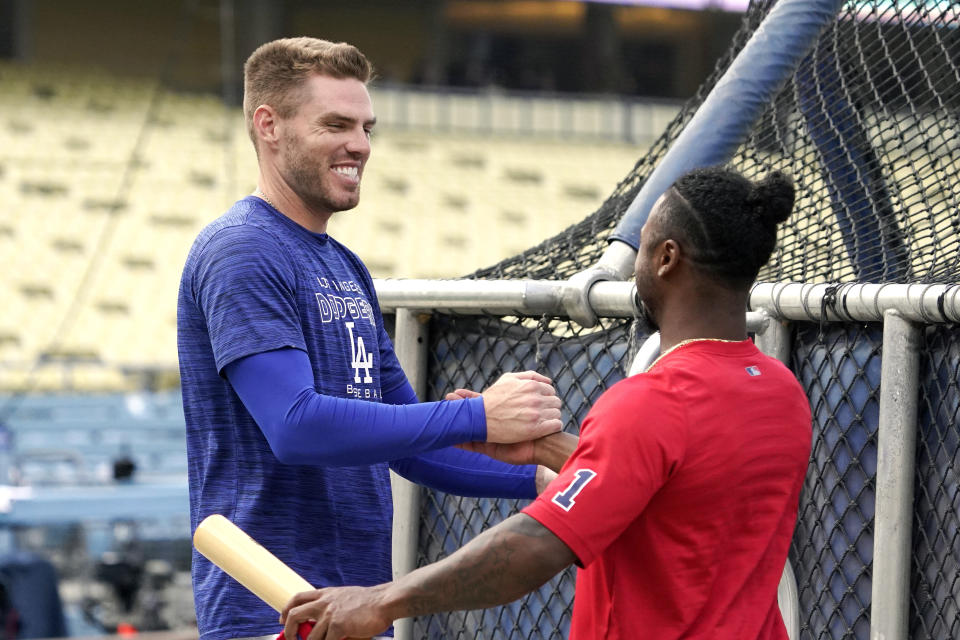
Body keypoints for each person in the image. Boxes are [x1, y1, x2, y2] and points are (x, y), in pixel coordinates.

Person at [278, 166, 814, 640]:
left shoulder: (652, 401)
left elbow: (537, 544)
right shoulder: (780, 391)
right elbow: (678, 487)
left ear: (668, 257)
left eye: (645, 245)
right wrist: (547, 448)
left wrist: (380, 600)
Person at [177, 37, 564, 640]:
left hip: (352, 606)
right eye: (335, 124)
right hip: (272, 612)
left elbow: (410, 446)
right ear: (268, 125)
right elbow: (296, 426)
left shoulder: (345, 266)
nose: (358, 144)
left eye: (365, 127)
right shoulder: (243, 249)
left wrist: (541, 479)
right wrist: (479, 416)